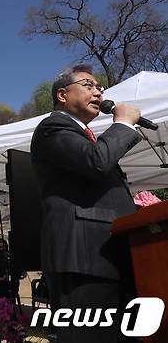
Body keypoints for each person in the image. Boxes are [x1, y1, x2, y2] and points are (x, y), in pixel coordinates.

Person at [31, 64, 142, 342]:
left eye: (99, 87)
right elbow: (96, 162)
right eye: (88, 85)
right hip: (83, 258)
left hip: (114, 255)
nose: (98, 91)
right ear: (62, 95)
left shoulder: (87, 137)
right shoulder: (52, 127)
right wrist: (123, 124)